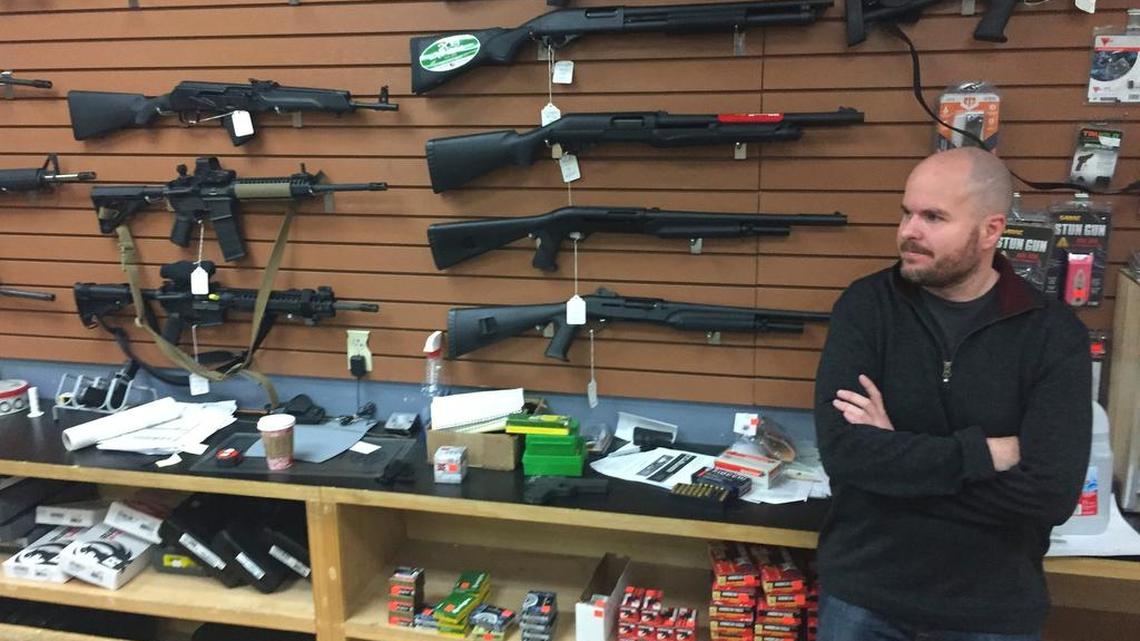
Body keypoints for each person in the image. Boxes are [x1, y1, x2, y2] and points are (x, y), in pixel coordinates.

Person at [813, 147, 1092, 641]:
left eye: (933, 217)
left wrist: (895, 466)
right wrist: (987, 453)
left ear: (990, 230)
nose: (908, 232)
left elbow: (1050, 495)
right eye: (906, 213)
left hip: (990, 610)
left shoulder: (1053, 335)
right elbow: (846, 453)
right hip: (865, 596)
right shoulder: (866, 307)